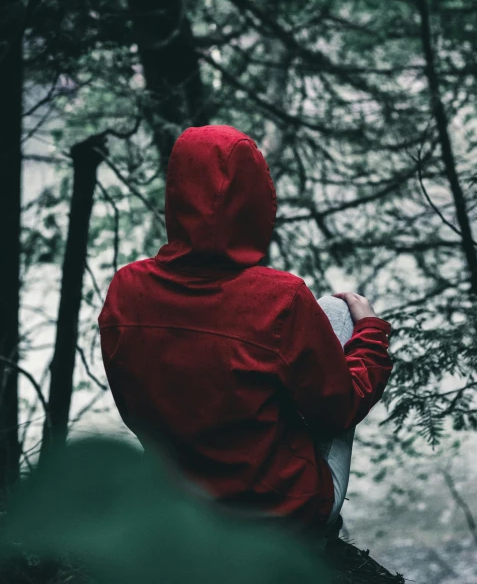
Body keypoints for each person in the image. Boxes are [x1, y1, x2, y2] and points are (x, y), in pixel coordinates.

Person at [98, 125, 392, 543]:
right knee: (338, 313)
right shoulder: (281, 298)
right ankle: (320, 535)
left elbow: (134, 408)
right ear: (256, 201)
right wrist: (371, 333)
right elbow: (340, 409)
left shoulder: (127, 289)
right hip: (279, 515)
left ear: (177, 194)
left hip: (179, 506)